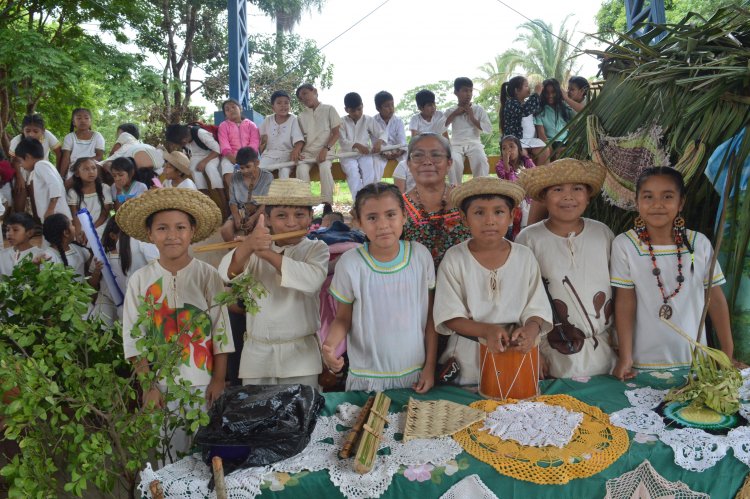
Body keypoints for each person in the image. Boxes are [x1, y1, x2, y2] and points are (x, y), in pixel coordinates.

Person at [117, 188, 232, 457]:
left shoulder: (208, 275)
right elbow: (135, 339)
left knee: (206, 454)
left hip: (204, 384)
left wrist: (218, 379)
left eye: (180, 227)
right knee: (167, 454)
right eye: (162, 228)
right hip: (162, 386)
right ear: (150, 235)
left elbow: (221, 331)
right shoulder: (141, 280)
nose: (172, 235)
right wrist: (149, 386)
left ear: (192, 231)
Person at [610, 167, 734, 379]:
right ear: (637, 202)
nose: (657, 204)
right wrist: (626, 357)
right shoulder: (625, 245)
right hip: (642, 362)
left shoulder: (699, 243)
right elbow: (624, 303)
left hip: (695, 362)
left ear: (681, 203)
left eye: (667, 196)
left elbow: (714, 299)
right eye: (648, 197)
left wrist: (727, 353)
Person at [434, 176, 553, 386]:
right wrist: (487, 331)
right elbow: (449, 315)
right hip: (468, 355)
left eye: (498, 212)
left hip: (517, 351)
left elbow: (537, 307)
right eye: (479, 213)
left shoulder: (524, 257)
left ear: (512, 216)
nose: (489, 221)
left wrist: (532, 329)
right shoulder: (455, 258)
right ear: (464, 218)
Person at [322, 182, 437, 392]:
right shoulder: (351, 263)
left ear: (404, 215)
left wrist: (429, 367)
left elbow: (430, 319)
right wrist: (329, 347)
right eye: (372, 217)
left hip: (414, 376)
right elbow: (343, 318)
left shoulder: (420, 256)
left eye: (391, 214)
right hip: (366, 379)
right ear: (358, 222)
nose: (383, 225)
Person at [219, 178, 329, 387]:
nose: (290, 223)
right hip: (256, 356)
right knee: (258, 417)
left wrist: (266, 253)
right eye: (281, 215)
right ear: (267, 219)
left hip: (301, 356)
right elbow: (228, 273)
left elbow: (311, 280)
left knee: (300, 417)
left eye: (299, 215)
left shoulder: (317, 248)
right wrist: (248, 246)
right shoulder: (253, 249)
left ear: (310, 217)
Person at [516, 159, 616, 378]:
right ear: (543, 196)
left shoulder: (602, 233)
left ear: (588, 196)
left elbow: (618, 293)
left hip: (605, 354)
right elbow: (521, 298)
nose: (568, 196)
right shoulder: (528, 239)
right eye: (558, 189)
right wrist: (533, 350)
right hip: (551, 355)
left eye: (577, 189)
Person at [402, 133, 471, 269]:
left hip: (463, 282)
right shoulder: (397, 207)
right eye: (418, 155)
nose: (427, 161)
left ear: (449, 163)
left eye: (436, 155)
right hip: (417, 285)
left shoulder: (466, 200)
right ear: (409, 164)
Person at [295, 83, 342, 210]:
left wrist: (325, 149)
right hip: (308, 153)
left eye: (305, 93)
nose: (304, 98)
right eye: (300, 97)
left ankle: (327, 205)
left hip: (326, 151)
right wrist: (298, 151)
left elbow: (336, 132)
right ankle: (306, 206)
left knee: (325, 168)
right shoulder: (300, 116)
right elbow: (300, 139)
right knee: (301, 169)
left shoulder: (329, 109)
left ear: (315, 91)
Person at [444, 77, 492, 184]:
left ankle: (481, 191)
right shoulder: (451, 110)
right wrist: (454, 114)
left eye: (471, 90)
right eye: (465, 90)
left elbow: (488, 129)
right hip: (456, 145)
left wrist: (472, 118)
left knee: (481, 160)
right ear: (456, 92)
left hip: (475, 144)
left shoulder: (478, 109)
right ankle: (455, 193)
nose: (469, 94)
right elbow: (439, 128)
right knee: (453, 162)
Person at [338, 92, 386, 199]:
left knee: (369, 172)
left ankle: (369, 199)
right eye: (353, 110)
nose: (356, 113)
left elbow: (382, 133)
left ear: (362, 106)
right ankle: (358, 202)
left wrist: (379, 142)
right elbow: (342, 141)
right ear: (346, 110)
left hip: (365, 154)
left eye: (359, 109)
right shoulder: (341, 122)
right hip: (347, 155)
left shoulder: (368, 119)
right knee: (353, 174)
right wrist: (357, 145)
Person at [165, 124, 226, 208]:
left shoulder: (200, 133)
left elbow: (217, 150)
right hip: (196, 157)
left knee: (210, 168)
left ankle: (224, 201)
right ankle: (207, 200)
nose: (180, 145)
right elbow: (188, 154)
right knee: (193, 169)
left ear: (184, 140)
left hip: (212, 154)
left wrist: (204, 162)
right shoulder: (183, 141)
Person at [220, 147, 274, 242]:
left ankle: (256, 254)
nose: (244, 171)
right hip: (241, 211)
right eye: (241, 168)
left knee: (261, 229)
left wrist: (253, 218)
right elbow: (232, 201)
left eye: (248, 167)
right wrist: (236, 217)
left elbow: (267, 202)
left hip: (260, 211)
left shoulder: (267, 177)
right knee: (225, 231)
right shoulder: (235, 178)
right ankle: (237, 253)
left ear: (257, 163)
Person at [14, 137, 72, 222]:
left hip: (56, 217)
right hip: (52, 218)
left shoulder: (41, 165)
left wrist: (50, 209)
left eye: (20, 161)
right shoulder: (42, 167)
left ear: (27, 157)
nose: (20, 165)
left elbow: (55, 185)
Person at [495, 135, 536, 239]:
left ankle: (525, 232)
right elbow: (510, 182)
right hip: (510, 197)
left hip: (527, 197)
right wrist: (506, 163)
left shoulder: (526, 162)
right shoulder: (500, 165)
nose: (508, 150)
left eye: (511, 146)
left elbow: (535, 176)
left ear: (519, 149)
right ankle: (512, 235)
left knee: (527, 207)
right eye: (504, 148)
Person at [258, 90, 305, 180]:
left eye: (286, 103)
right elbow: (262, 139)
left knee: (284, 173)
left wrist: (296, 150)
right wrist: (261, 149)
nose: (283, 105)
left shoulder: (293, 119)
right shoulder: (268, 120)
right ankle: (263, 194)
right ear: (273, 107)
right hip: (269, 154)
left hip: (286, 155)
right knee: (259, 171)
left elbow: (299, 140)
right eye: (279, 103)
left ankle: (284, 194)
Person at [67, 157, 113, 242]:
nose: (91, 172)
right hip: (82, 227)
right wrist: (78, 231)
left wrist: (91, 230)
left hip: (100, 226)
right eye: (86, 169)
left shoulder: (104, 188)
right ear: (77, 173)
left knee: (97, 240)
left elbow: (104, 215)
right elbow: (75, 215)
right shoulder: (73, 192)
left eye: (94, 168)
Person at [218, 98, 261, 187]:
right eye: (227, 109)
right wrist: (233, 159)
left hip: (249, 156)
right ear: (225, 114)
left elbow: (254, 142)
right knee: (226, 167)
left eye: (234, 107)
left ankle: (252, 195)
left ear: (240, 109)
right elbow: (224, 144)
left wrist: (247, 158)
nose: (231, 110)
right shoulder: (223, 126)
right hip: (231, 157)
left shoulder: (251, 125)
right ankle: (234, 195)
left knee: (254, 170)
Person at [43, 213, 93, 283]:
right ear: (66, 233)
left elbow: (93, 266)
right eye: (72, 225)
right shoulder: (47, 257)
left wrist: (89, 240)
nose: (74, 227)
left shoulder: (78, 249)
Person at [534, 78, 572, 164]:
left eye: (553, 92)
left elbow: (572, 129)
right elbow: (541, 133)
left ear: (558, 93)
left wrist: (568, 145)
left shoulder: (565, 108)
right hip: (549, 143)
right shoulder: (540, 110)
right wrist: (550, 147)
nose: (550, 95)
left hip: (565, 143)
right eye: (547, 93)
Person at [59, 108, 105, 179]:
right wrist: (61, 177)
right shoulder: (69, 137)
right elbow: (66, 159)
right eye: (79, 118)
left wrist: (84, 164)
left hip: (93, 167)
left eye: (86, 118)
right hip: (74, 168)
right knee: (69, 185)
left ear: (91, 122)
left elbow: (99, 156)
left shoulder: (97, 136)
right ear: (73, 122)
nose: (83, 120)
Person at [500, 76, 543, 151]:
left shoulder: (526, 104)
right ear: (517, 90)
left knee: (544, 151)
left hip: (531, 141)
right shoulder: (511, 103)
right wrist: (536, 94)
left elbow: (533, 108)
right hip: (516, 142)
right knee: (523, 155)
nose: (528, 88)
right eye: (526, 86)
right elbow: (524, 111)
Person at [372, 90, 406, 182]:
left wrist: (399, 152)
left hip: (398, 151)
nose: (391, 108)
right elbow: (375, 142)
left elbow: (402, 141)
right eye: (387, 106)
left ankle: (405, 191)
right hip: (381, 153)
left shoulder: (398, 121)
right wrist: (384, 154)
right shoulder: (373, 121)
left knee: (408, 160)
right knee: (374, 163)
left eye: (392, 104)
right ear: (378, 108)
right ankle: (376, 190)